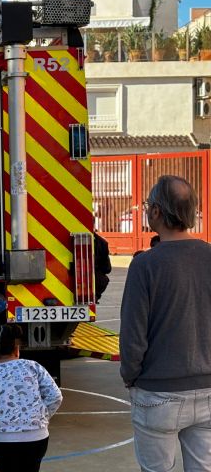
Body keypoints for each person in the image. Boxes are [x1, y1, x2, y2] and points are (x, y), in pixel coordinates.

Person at [120, 175, 211, 472]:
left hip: (157, 393)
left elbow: (133, 335)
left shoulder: (145, 265)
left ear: (157, 211)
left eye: (148, 205)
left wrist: (130, 376)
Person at [0, 325, 62, 472]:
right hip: (37, 436)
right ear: (16, 349)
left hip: (3, 440)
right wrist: (42, 415)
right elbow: (55, 396)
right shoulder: (33, 367)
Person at [93, 231, 111, 303]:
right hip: (89, 284)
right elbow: (107, 269)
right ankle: (94, 297)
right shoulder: (101, 243)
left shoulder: (101, 242)